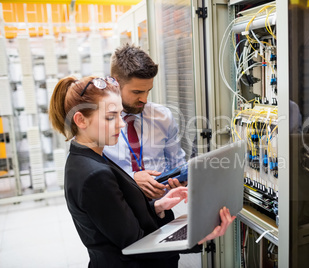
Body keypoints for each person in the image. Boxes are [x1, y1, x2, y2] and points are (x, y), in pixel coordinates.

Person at [48, 75, 236, 267]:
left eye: (120, 115)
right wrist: (198, 235)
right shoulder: (94, 175)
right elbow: (137, 245)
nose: (121, 124)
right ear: (80, 120)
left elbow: (117, 220)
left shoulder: (87, 158)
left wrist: (157, 207)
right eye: (110, 117)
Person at [103, 44, 186, 199]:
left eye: (148, 91)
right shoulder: (97, 123)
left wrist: (180, 181)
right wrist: (131, 179)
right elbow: (88, 176)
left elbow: (177, 164)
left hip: (162, 208)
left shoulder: (163, 117)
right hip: (120, 210)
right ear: (115, 83)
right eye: (137, 92)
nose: (145, 99)